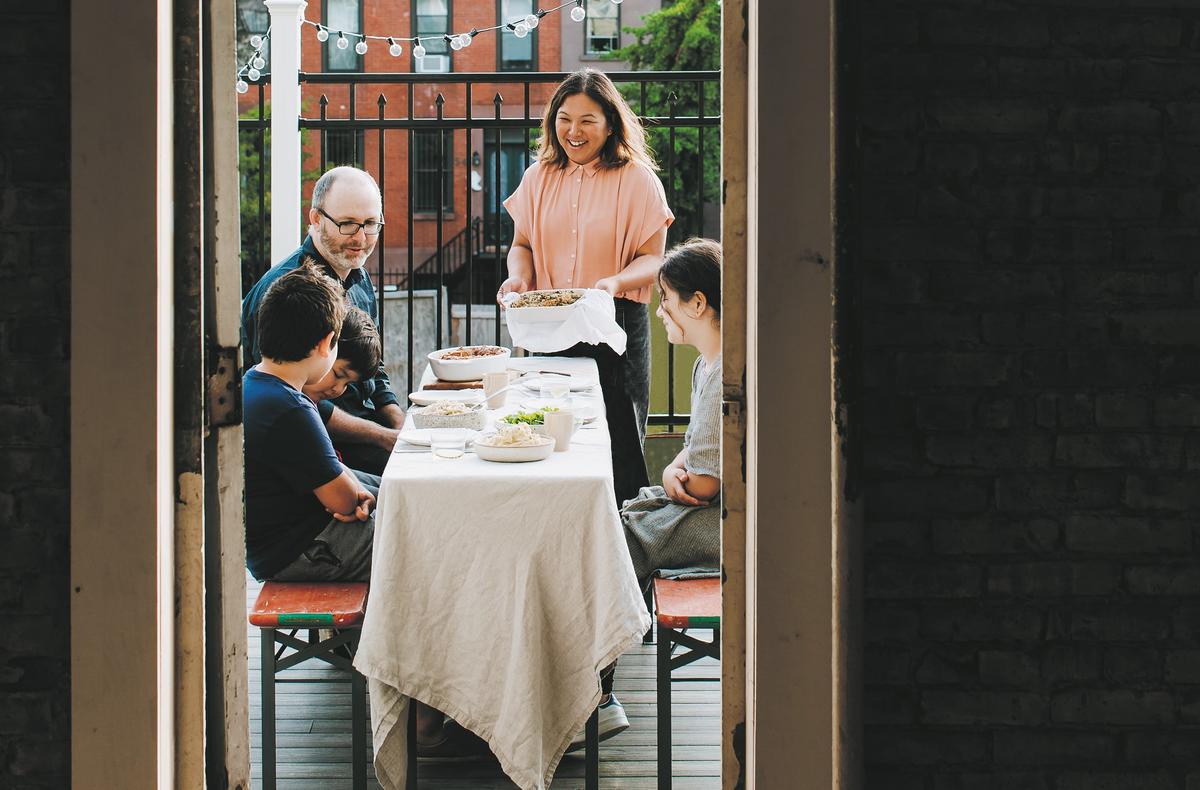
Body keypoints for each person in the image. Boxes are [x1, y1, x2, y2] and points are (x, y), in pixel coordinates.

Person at [569, 239, 723, 752]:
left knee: (619, 542)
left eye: (667, 300)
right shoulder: (708, 364)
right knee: (621, 520)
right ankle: (593, 689)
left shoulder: (723, 372)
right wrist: (678, 471)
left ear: (697, 303)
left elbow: (704, 483)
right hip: (711, 505)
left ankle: (593, 696)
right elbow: (694, 457)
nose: (659, 312)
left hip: (727, 521)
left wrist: (682, 476)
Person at [498, 68, 674, 506]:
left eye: (587, 121)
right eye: (564, 119)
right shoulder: (537, 177)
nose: (573, 132)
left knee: (620, 441)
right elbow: (521, 245)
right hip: (550, 323)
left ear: (610, 124)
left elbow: (654, 259)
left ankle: (626, 539)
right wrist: (519, 276)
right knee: (550, 435)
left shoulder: (638, 180)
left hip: (614, 323)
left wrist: (613, 282)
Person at [242, 166, 404, 476]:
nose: (361, 237)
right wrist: (382, 436)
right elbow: (285, 396)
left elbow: (374, 367)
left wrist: (399, 422)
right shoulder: (288, 290)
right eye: (347, 224)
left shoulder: (360, 278)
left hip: (367, 434)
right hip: (320, 449)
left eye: (371, 223)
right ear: (316, 218)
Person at [243, 264, 377, 584]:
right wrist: (353, 496)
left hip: (277, 546)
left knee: (395, 498)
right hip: (301, 550)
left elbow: (328, 469)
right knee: (417, 537)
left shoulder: (253, 384)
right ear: (326, 343)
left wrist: (355, 490)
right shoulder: (292, 408)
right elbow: (342, 501)